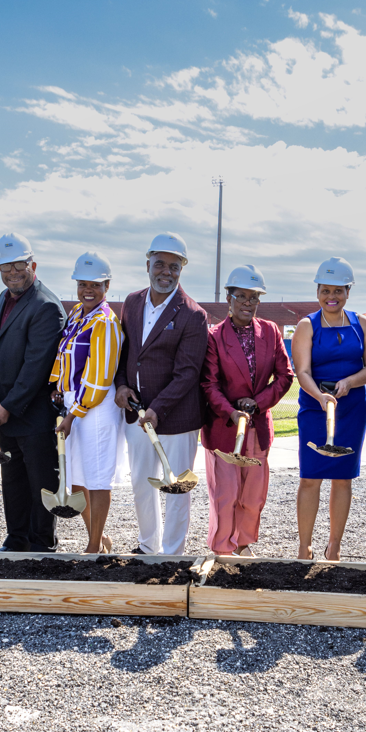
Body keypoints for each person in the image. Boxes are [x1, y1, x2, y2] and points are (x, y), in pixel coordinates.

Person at [114, 232, 211, 556]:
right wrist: (122, 385)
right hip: (137, 414)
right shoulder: (131, 302)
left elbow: (187, 373)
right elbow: (126, 353)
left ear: (182, 269)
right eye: (160, 264)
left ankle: (171, 554)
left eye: (174, 266)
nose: (166, 272)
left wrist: (157, 408)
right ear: (148, 265)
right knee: (142, 484)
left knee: (176, 489)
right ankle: (147, 546)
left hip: (176, 418)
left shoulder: (193, 315)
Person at [0, 233, 66, 552]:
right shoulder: (6, 297)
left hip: (34, 415)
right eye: (5, 267)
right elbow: (1, 343)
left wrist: (7, 407)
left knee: (40, 481)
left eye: (19, 265)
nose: (12, 272)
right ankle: (16, 539)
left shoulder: (45, 306)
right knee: (13, 481)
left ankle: (42, 544)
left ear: (33, 265)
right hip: (10, 412)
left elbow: (36, 367)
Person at [203, 265, 295, 556]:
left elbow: (285, 375)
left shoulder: (270, 331)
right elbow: (209, 383)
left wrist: (259, 402)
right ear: (229, 298)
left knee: (253, 496)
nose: (247, 302)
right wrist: (231, 411)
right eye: (240, 296)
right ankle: (221, 549)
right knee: (226, 494)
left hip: (258, 427)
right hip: (225, 427)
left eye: (253, 297)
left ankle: (243, 544)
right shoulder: (215, 337)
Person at [292, 257, 366, 561]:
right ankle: (305, 547)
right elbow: (302, 372)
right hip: (316, 405)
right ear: (317, 291)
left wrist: (351, 382)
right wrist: (319, 396)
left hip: (351, 405)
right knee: (310, 477)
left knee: (343, 477)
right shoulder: (307, 325)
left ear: (348, 291)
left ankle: (335, 545)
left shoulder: (361, 323)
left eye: (339, 291)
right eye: (326, 290)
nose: (332, 297)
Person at [49, 252, 126, 554]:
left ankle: (94, 546)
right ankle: (99, 537)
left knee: (95, 479)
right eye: (82, 284)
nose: (88, 290)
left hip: (96, 407)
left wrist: (73, 414)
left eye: (95, 284)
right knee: (78, 480)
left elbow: (99, 376)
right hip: (75, 404)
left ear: (107, 286)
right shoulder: (78, 314)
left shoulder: (105, 322)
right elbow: (63, 355)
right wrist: (57, 386)